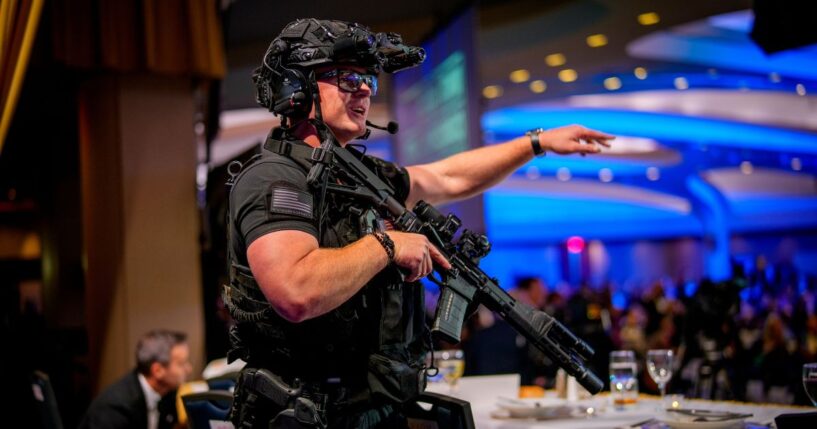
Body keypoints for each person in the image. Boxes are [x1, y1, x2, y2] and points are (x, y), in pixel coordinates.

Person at [224, 18, 614, 429]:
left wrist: (535, 143)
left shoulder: (360, 175)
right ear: (296, 88)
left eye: (368, 80)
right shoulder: (273, 178)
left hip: (372, 409)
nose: (364, 90)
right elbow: (295, 291)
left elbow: (448, 178)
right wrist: (387, 245)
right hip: (304, 416)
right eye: (347, 78)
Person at [78, 330, 193, 429]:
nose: (189, 369)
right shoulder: (115, 409)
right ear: (157, 370)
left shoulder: (167, 392)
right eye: (181, 364)